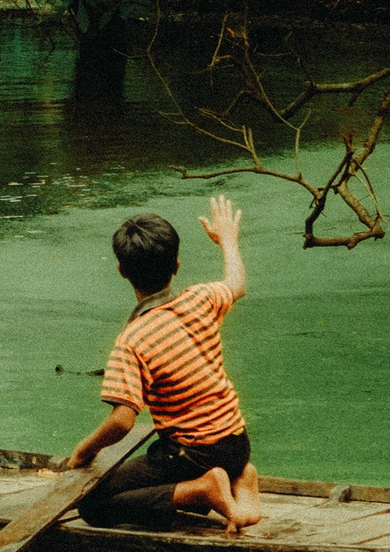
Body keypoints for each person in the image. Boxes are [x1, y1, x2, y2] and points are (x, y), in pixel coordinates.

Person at [67, 198, 262, 534]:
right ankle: (240, 476)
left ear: (122, 271)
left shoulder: (133, 340)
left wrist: (85, 449)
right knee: (157, 488)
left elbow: (123, 420)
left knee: (92, 504)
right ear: (177, 265)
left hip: (191, 455)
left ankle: (203, 488)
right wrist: (227, 239)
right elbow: (237, 283)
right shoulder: (202, 299)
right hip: (236, 443)